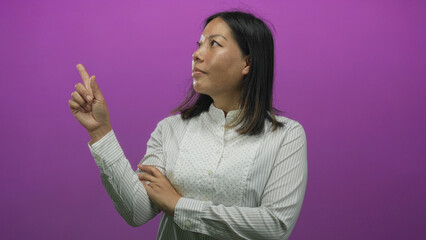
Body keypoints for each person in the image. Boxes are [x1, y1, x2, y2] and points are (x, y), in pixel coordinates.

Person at [69, 10, 307, 240]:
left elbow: (275, 225)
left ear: (247, 63)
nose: (197, 54)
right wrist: (100, 131)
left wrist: (178, 206)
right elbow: (136, 211)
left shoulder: (286, 136)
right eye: (199, 44)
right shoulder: (171, 129)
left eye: (214, 44)